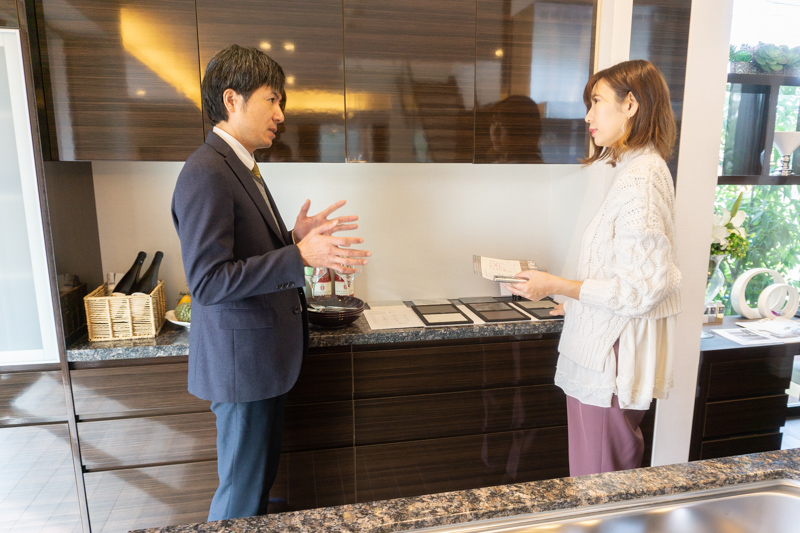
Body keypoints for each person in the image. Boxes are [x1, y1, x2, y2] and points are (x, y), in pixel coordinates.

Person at [171, 44, 370, 521]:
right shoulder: (207, 172)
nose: (281, 114)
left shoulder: (237, 165)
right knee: (240, 502)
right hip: (242, 368)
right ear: (232, 100)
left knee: (253, 492)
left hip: (258, 364)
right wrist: (298, 256)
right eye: (272, 99)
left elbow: (242, 254)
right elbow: (208, 282)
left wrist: (291, 238)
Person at [504, 59, 681, 476]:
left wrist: (558, 284)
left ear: (631, 105)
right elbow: (622, 269)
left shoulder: (641, 179)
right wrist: (575, 301)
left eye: (597, 102)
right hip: (607, 345)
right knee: (599, 477)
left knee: (599, 482)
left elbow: (640, 289)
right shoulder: (637, 169)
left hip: (610, 355)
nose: (588, 116)